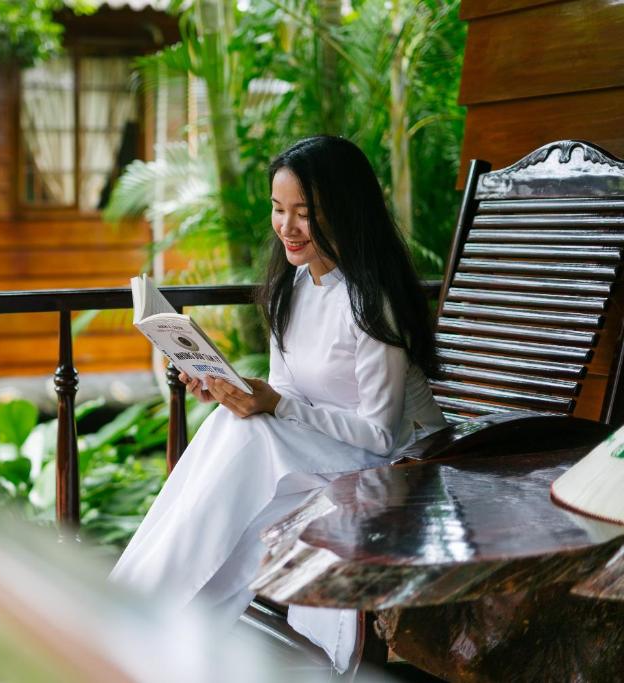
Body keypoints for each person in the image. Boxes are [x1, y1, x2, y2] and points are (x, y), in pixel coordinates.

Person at [109, 135, 448, 673]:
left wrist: (276, 407)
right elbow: (286, 390)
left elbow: (383, 435)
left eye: (303, 213)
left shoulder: (370, 299)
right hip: (324, 451)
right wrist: (230, 389)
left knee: (249, 439)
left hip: (401, 464)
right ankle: (152, 637)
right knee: (233, 431)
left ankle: (130, 627)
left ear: (342, 211)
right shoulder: (295, 285)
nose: (286, 226)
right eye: (277, 208)